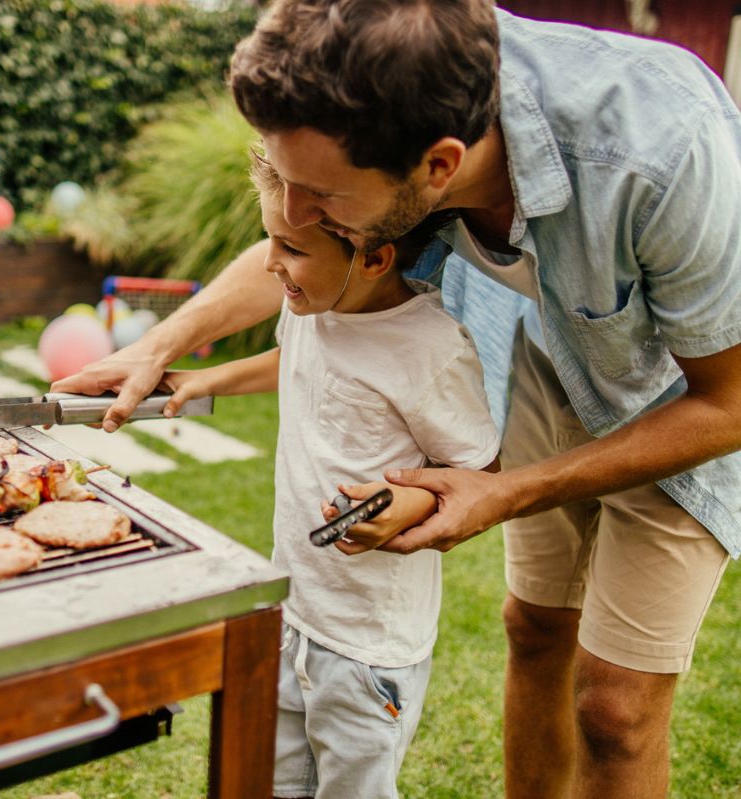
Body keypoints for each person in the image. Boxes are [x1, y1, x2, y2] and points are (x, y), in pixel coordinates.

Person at [51, 2, 741, 797]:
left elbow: (726, 401)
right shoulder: (401, 100)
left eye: (322, 197)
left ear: (439, 168)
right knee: (535, 627)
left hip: (680, 395)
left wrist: (508, 488)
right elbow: (299, 240)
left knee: (615, 709)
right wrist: (154, 347)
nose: (296, 215)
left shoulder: (659, 150)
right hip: (547, 352)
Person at [161, 152, 499, 798]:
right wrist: (209, 378)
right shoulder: (314, 301)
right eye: (272, 240)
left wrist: (405, 503)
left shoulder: (429, 348)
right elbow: (294, 358)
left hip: (366, 644)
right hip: (293, 606)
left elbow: (480, 472)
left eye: (290, 247)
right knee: (274, 779)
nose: (270, 263)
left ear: (373, 258)